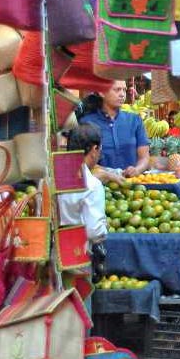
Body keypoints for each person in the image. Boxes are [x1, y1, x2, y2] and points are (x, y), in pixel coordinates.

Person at [57, 124, 108, 278]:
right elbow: (94, 231)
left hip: (54, 254)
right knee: (79, 299)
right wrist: (104, 227)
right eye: (99, 150)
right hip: (78, 254)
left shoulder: (56, 176)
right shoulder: (92, 184)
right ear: (93, 149)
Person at [79, 81, 149, 178]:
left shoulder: (134, 120)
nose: (122, 94)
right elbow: (83, 160)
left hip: (133, 187)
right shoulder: (87, 123)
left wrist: (137, 170)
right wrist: (109, 174)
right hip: (101, 186)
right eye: (117, 90)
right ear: (102, 93)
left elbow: (144, 157)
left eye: (124, 90)